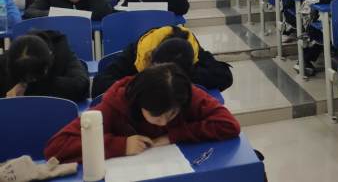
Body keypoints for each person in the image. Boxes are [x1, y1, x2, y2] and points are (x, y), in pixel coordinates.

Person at [45, 63, 241, 163]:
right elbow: (56, 147)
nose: (163, 122)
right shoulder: (115, 104)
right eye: (156, 115)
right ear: (138, 103)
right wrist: (120, 145)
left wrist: (174, 135)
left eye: (172, 114)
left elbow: (229, 125)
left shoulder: (184, 93)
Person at [91, 25, 233, 98]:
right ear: (151, 60)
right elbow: (99, 85)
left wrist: (180, 78)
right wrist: (144, 85)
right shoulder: (138, 53)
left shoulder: (192, 49)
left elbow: (224, 76)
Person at [0, 30, 90, 103]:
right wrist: (6, 101)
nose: (29, 81)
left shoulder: (61, 51)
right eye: (24, 79)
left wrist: (29, 87)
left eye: (33, 78)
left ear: (47, 66)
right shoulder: (9, 60)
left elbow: (81, 86)